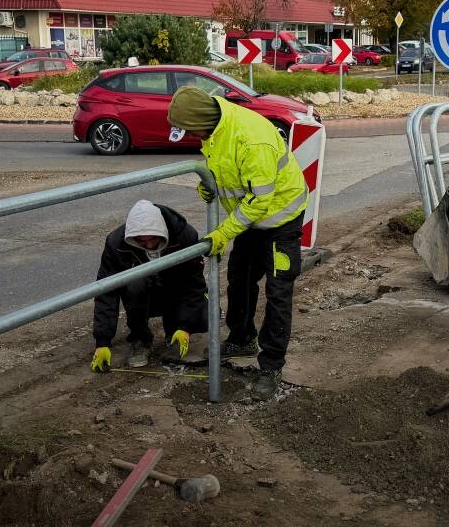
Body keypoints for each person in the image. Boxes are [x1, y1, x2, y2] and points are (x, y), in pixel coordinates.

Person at [166, 86, 308, 399]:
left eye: (190, 130)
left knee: (278, 291)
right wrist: (210, 186)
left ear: (201, 120)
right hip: (249, 218)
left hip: (279, 219)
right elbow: (229, 170)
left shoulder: (250, 138)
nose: (191, 136)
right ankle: (242, 337)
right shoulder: (214, 130)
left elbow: (260, 200)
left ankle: (271, 366)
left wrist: (224, 232)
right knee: (240, 277)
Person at [90, 200, 208, 372]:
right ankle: (140, 338)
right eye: (142, 241)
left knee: (206, 316)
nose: (150, 245)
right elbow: (106, 292)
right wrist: (102, 341)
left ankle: (174, 331)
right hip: (140, 296)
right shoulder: (116, 244)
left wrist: (185, 326)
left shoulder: (184, 236)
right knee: (135, 280)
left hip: (173, 290)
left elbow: (193, 284)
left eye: (153, 238)